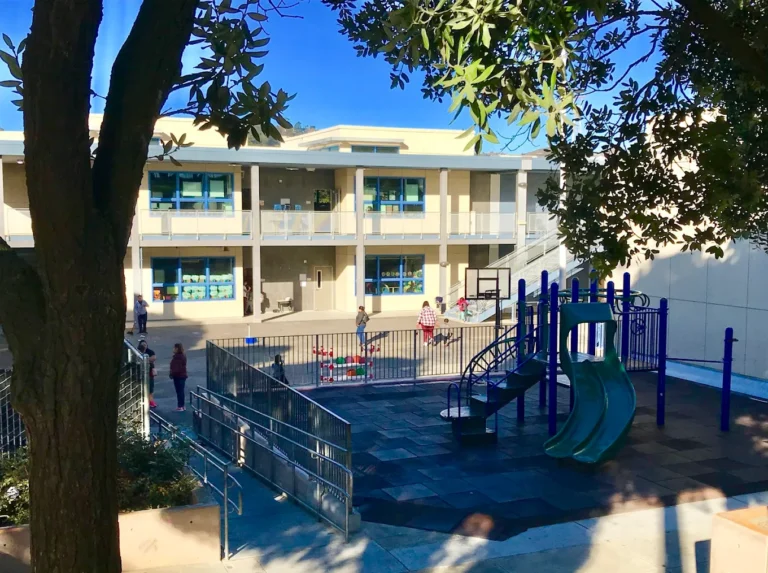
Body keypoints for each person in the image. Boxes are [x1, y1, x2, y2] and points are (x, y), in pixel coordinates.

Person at [137, 339, 157, 409]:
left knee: (150, 387)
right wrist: (148, 360)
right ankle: (147, 401)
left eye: (145, 345)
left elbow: (154, 358)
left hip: (149, 373)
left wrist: (145, 360)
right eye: (143, 345)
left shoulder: (149, 351)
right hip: (142, 373)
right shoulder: (138, 351)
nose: (144, 346)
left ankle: (151, 401)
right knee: (143, 387)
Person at [169, 343, 187, 412]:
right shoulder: (182, 356)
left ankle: (180, 406)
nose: (173, 349)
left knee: (179, 391)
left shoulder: (178, 357)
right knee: (181, 391)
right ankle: (182, 405)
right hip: (181, 376)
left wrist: (172, 373)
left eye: (174, 348)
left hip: (178, 376)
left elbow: (177, 368)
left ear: (177, 348)